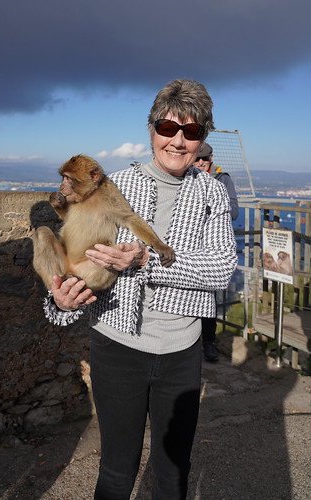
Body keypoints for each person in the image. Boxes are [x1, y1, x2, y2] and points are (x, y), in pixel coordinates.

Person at [43, 79, 238, 500]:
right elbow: (74, 254)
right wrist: (59, 300)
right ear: (152, 130)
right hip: (116, 345)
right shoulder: (112, 185)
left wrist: (149, 261)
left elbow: (222, 269)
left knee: (171, 472)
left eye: (192, 132)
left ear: (202, 139)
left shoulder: (212, 193)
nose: (178, 141)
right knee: (117, 468)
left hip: (181, 350)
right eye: (168, 129)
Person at [194, 142, 239, 362]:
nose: (201, 163)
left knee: (208, 297)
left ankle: (208, 342)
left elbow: (234, 211)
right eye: (197, 159)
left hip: (210, 247)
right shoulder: (185, 178)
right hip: (189, 246)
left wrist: (206, 211)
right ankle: (189, 343)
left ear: (212, 158)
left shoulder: (223, 179)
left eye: (205, 159)